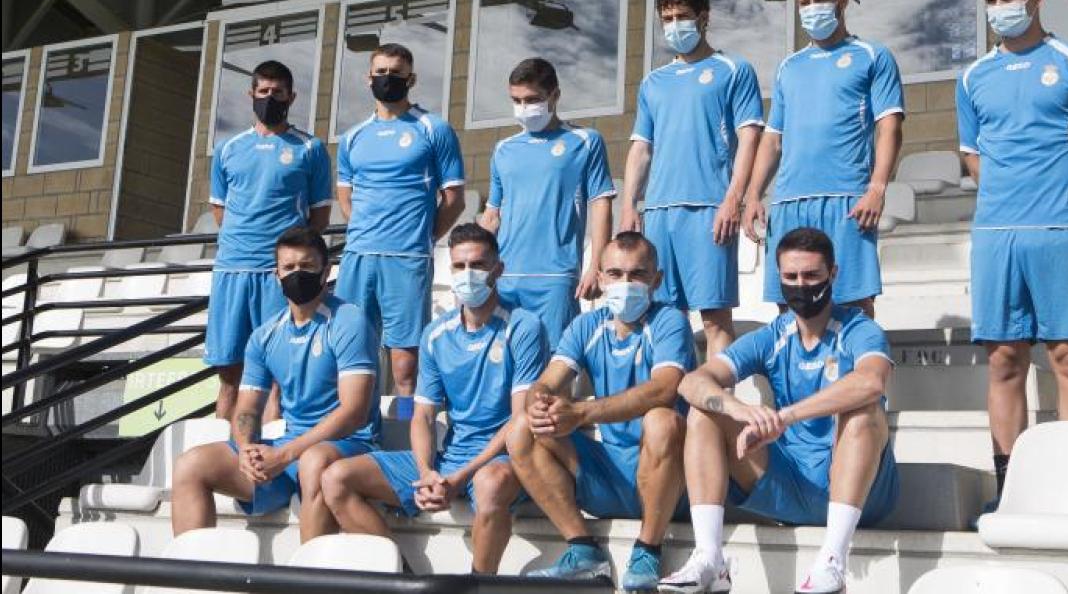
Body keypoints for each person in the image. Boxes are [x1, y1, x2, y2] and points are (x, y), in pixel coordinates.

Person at [956, 0, 1068, 506]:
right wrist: (1012, 191)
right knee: (1004, 361)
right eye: (991, 0)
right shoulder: (973, 76)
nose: (999, 8)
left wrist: (1055, 181)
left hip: (1059, 229)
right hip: (996, 236)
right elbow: (973, 158)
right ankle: (1013, 490)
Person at [660, 227, 898, 594]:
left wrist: (786, 416)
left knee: (863, 413)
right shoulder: (774, 335)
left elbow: (871, 382)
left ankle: (833, 562)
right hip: (790, 481)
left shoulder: (859, 329)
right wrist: (738, 408)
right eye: (791, 277)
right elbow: (691, 383)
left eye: (811, 275)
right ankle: (710, 559)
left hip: (860, 490)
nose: (801, 286)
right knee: (704, 412)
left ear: (833, 274)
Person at [320, 223, 546, 575]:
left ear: (498, 270)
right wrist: (428, 472)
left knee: (490, 484)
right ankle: (402, 578)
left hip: (501, 460)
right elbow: (423, 416)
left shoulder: (524, 326)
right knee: (336, 478)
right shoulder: (435, 334)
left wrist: (458, 478)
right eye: (459, 266)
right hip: (449, 459)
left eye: (478, 265)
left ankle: (478, 584)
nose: (468, 274)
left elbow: (520, 422)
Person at [508, 231, 696, 591]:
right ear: (600, 278)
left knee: (662, 420)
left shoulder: (669, 321)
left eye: (637, 274)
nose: (625, 283)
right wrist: (541, 402)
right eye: (615, 273)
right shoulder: (587, 325)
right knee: (522, 427)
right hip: (609, 469)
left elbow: (665, 388)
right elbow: (546, 382)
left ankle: (648, 550)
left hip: (667, 475)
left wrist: (580, 413)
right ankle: (582, 549)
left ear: (656, 279)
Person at [172, 226, 381, 543]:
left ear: (326, 271)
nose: (298, 274)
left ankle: (308, 571)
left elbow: (354, 413)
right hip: (290, 450)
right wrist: (246, 449)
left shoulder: (348, 320)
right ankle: (191, 571)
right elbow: (247, 409)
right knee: (191, 464)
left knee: (313, 461)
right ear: (277, 274)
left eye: (307, 266)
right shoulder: (265, 335)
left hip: (349, 446)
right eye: (289, 267)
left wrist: (284, 455)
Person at [743, 0, 904, 318]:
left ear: (841, 2)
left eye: (819, 0)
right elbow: (773, 139)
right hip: (789, 202)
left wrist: (877, 188)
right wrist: (753, 194)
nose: (811, 9)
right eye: (804, 3)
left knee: (854, 307)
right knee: (789, 309)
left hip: (846, 200)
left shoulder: (873, 56)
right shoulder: (789, 67)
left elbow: (890, 127)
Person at [621, 0, 764, 356]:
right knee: (666, 318)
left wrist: (733, 199)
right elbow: (641, 148)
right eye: (667, 19)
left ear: (703, 17)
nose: (675, 26)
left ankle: (716, 396)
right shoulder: (653, 82)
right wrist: (629, 205)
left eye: (682, 16)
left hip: (709, 208)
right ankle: (674, 393)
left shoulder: (734, 70)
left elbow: (750, 138)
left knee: (715, 318)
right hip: (659, 212)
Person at [335, 43, 466, 400]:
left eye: (396, 73)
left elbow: (454, 199)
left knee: (405, 368)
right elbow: (345, 197)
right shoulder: (353, 137)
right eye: (380, 72)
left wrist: (423, 237)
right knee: (351, 357)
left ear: (411, 79)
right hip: (358, 258)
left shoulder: (434, 128)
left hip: (407, 259)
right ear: (369, 78)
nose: (387, 78)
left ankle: (407, 428)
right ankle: (360, 426)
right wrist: (365, 232)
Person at [206, 60, 332, 419]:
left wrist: (287, 257)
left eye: (278, 92)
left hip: (277, 275)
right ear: (251, 94)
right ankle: (224, 445)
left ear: (291, 97)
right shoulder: (228, 148)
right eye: (263, 91)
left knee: (277, 373)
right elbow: (220, 210)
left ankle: (273, 446)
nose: (270, 98)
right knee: (229, 373)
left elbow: (319, 218)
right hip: (232, 270)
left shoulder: (310, 148)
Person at [480, 57, 615, 341]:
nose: (523, 108)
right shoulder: (503, 149)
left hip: (556, 278)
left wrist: (597, 266)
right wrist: (477, 268)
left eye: (532, 99)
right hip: (505, 278)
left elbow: (601, 204)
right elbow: (491, 216)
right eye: (516, 100)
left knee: (555, 363)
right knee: (505, 361)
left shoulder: (585, 141)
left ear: (555, 95)